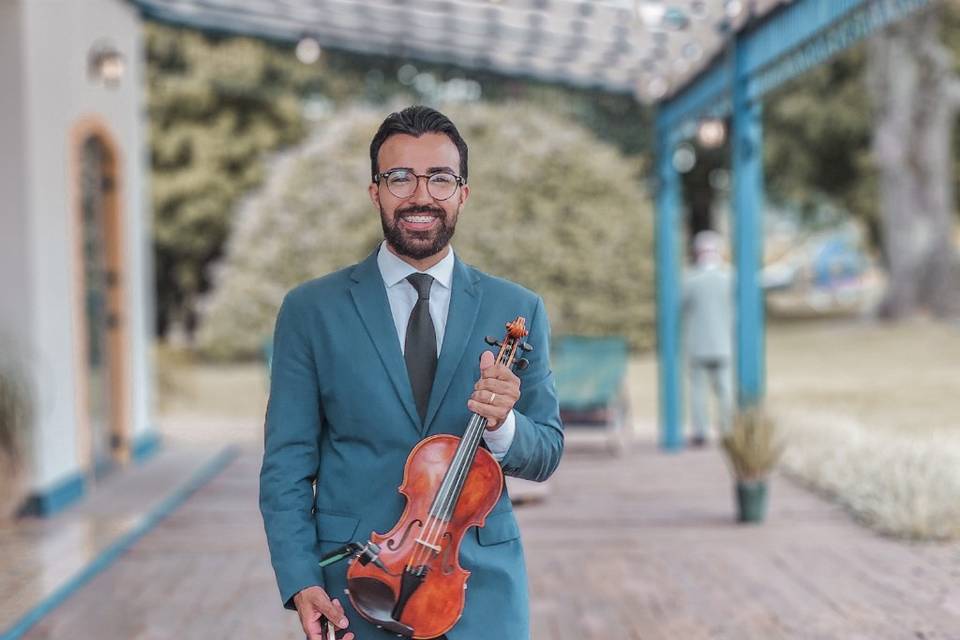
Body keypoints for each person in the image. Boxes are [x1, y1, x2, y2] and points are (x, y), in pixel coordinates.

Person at [259, 105, 564, 640]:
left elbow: (546, 453)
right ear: (375, 190)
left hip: (479, 589)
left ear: (463, 193)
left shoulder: (517, 308)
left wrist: (502, 426)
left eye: (440, 178)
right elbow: (286, 465)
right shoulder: (311, 310)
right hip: (359, 585)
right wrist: (301, 579)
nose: (420, 195)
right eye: (400, 177)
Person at [681, 230, 734, 447]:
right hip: (724, 343)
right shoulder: (729, 278)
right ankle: (727, 429)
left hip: (697, 344)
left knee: (698, 390)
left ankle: (701, 431)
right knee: (725, 389)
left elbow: (680, 307)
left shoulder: (689, 279)